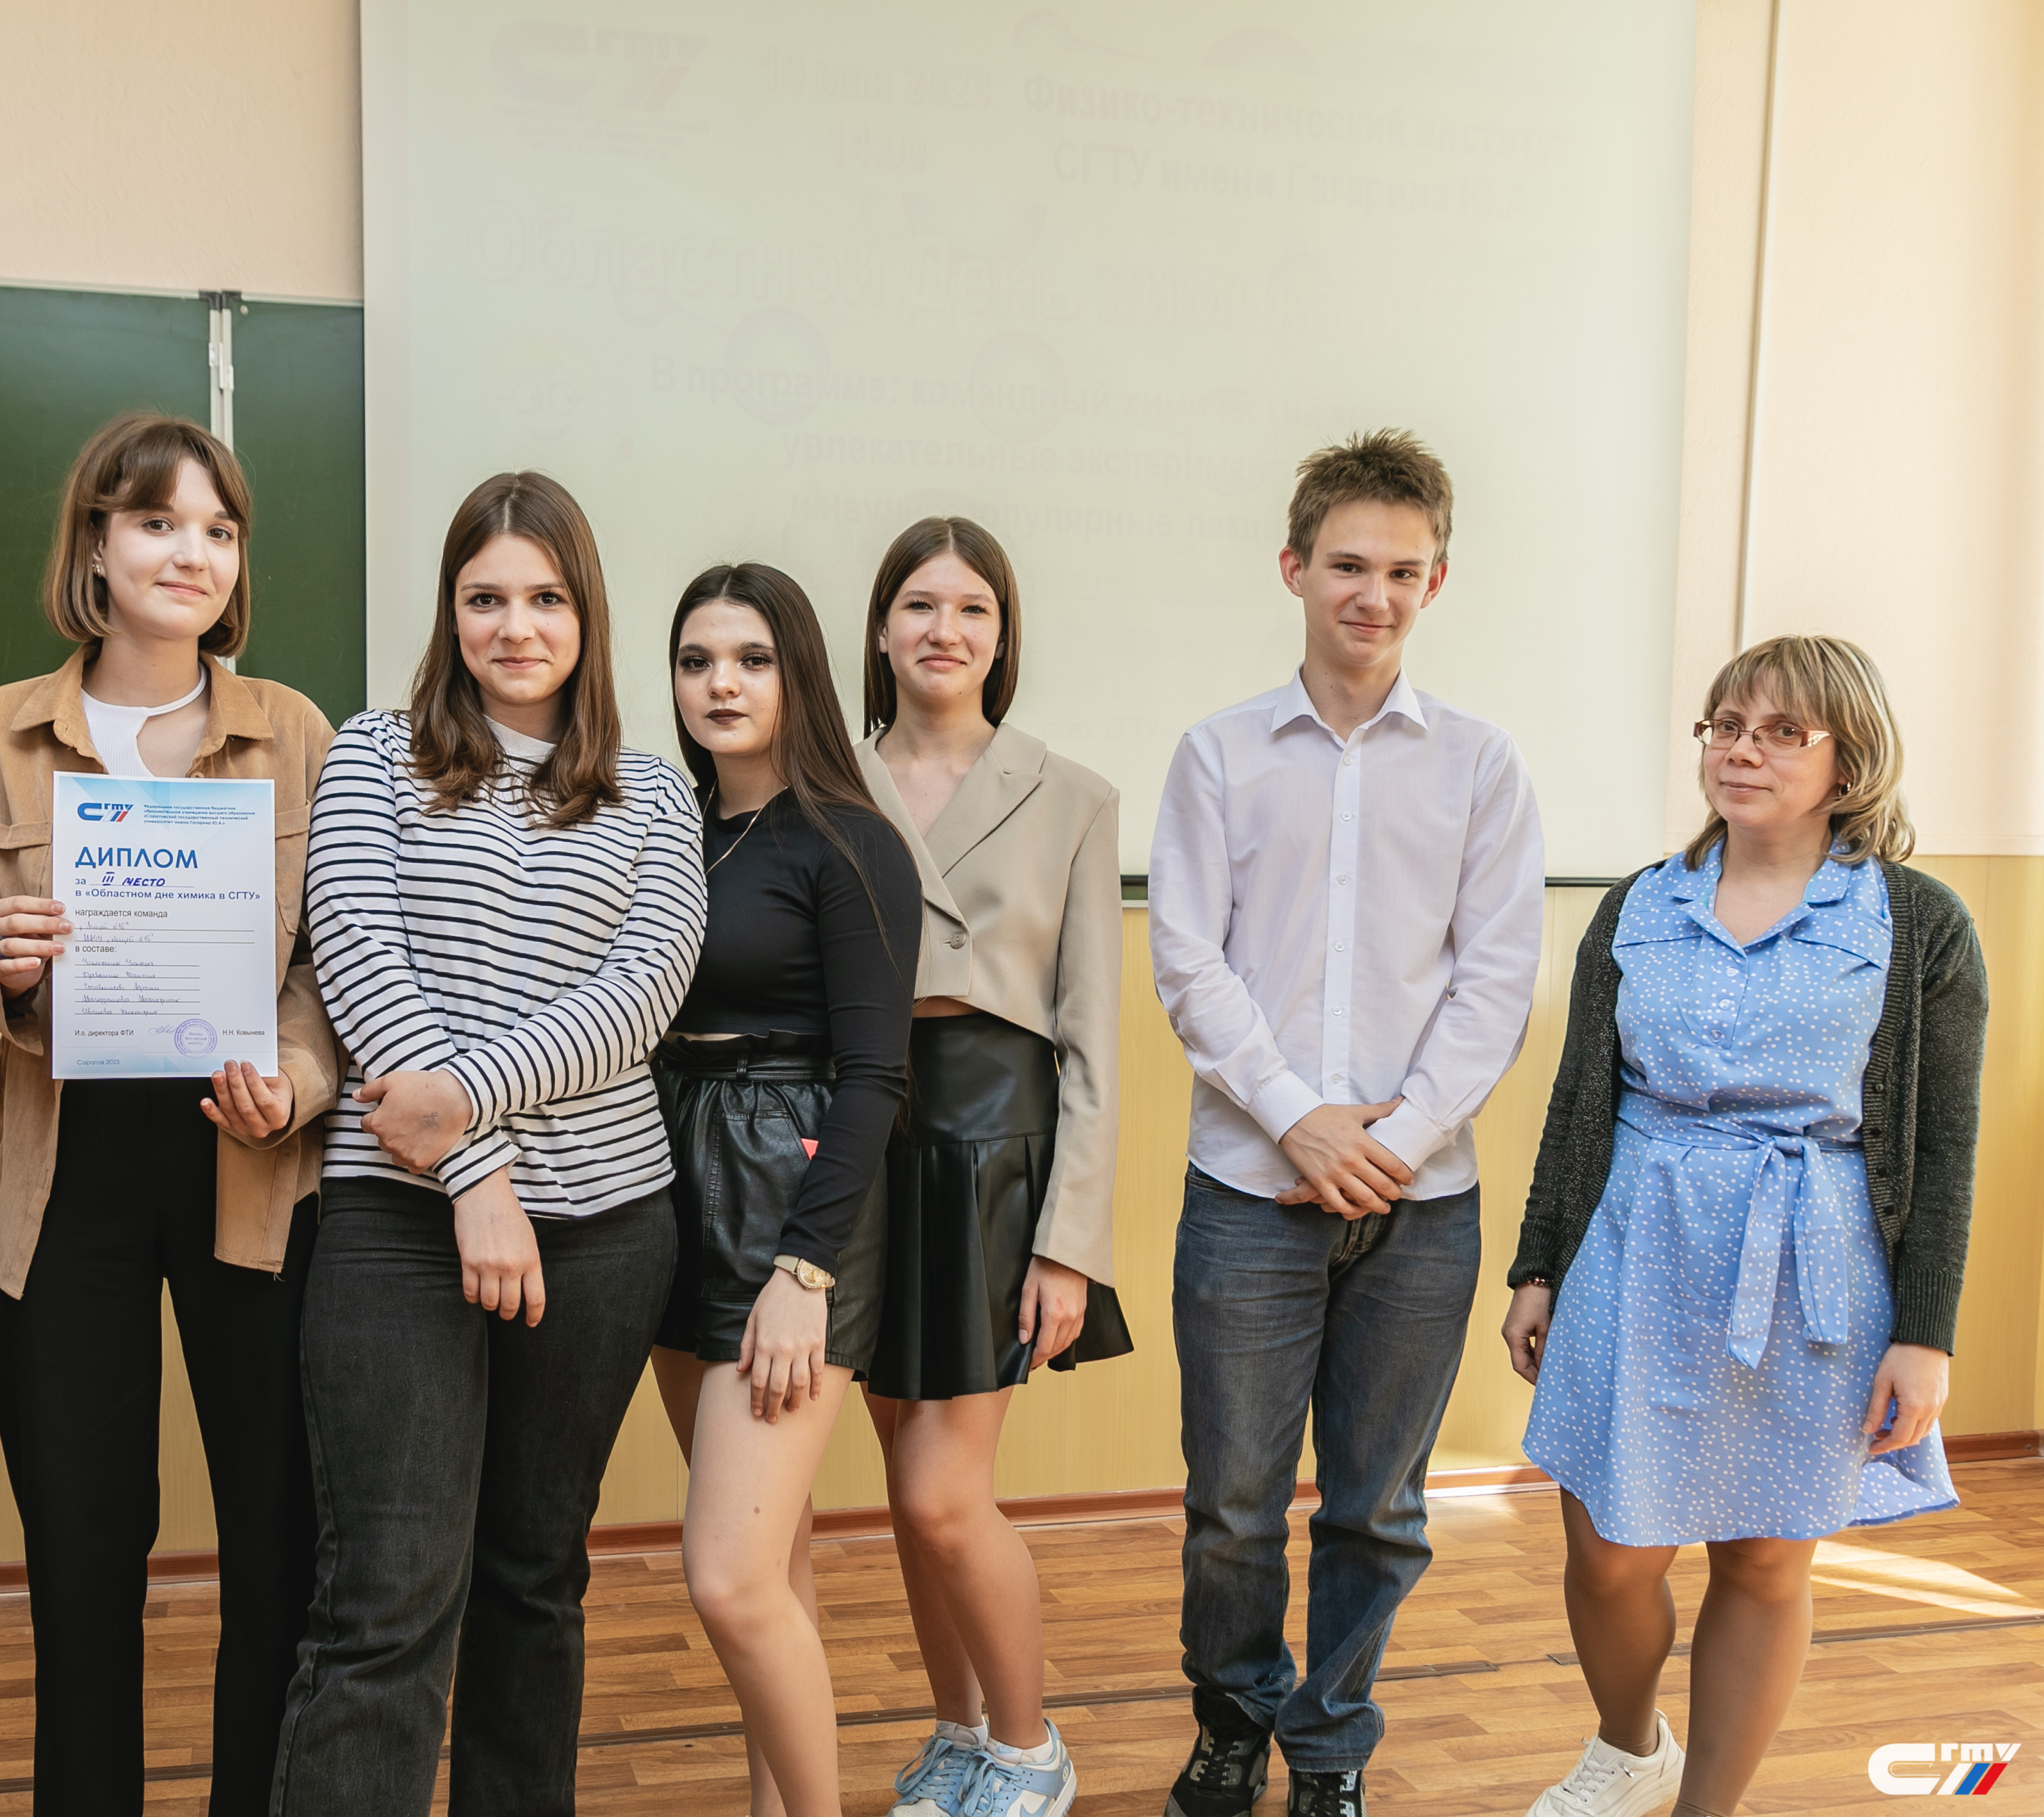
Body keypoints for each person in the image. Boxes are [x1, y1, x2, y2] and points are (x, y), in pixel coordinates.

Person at [0, 413, 336, 1817]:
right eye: (158, 522)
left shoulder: (297, 733)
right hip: (66, 1170)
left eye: (219, 529)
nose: (191, 552)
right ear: (95, 542)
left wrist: (295, 1084)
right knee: (84, 1550)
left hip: (249, 1164)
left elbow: (332, 971)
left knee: (276, 1544)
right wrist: (1, 962)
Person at [275, 471, 706, 1816]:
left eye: (546, 599)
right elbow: (358, 959)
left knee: (535, 1579)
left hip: (608, 1230)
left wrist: (459, 1107)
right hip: (398, 1221)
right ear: (449, 610)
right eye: (486, 599)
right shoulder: (372, 753)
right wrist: (476, 1179)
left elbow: (641, 995)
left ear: (588, 615)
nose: (516, 628)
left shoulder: (654, 791)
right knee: (388, 1593)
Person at [1505, 634, 1982, 1817]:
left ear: (1847, 761)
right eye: (1726, 726)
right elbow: (1580, 1101)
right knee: (1608, 1550)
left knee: (1766, 1558)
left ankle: (1704, 1808)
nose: (1741, 751)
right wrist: (1537, 1266)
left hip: (1818, 1265)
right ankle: (1630, 1747)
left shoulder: (1919, 922)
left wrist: (1925, 1334)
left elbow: (1944, 1146)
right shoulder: (1639, 905)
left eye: (1779, 732)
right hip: (1637, 1249)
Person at [1147, 430, 1543, 1817]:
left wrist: (1397, 1139)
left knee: (1380, 1510)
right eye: (1348, 566)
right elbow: (1188, 962)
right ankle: (1233, 1720)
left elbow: (1497, 981)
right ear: (1294, 569)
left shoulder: (1483, 766)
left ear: (1437, 583)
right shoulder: (1217, 755)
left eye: (1402, 572)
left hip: (1423, 1211)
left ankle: (1329, 1750)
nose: (1374, 594)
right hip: (1248, 1192)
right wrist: (1302, 1122)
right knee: (1233, 1506)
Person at [852, 514, 1134, 1817]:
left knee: (943, 1494)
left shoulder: (1071, 794)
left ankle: (1031, 1751)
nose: (944, 630)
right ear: (879, 628)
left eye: (972, 608)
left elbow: (1093, 1040)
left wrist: (1070, 1245)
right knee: (905, 1488)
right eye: (920, 604)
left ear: (1003, 635)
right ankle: (960, 1731)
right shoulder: (826, 779)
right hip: (862, 1140)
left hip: (991, 1152)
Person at [650, 563, 920, 1817]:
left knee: (728, 1574)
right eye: (697, 660)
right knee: (773, 1560)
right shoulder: (668, 831)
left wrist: (805, 1271)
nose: (721, 684)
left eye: (752, 660)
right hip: (668, 1177)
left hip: (793, 1197)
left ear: (798, 672)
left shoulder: (850, 841)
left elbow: (876, 1079)